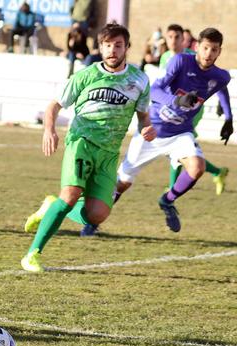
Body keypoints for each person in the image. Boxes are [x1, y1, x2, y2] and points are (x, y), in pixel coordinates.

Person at [21, 23, 155, 272]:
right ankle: (32, 254)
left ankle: (51, 206)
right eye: (107, 45)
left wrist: (148, 128)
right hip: (81, 142)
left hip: (109, 152)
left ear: (127, 47)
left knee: (97, 214)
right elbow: (54, 106)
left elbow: (144, 117)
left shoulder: (139, 80)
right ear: (101, 48)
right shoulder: (85, 75)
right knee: (70, 195)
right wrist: (49, 130)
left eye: (118, 45)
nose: (113, 50)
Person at [107, 28, 232, 233]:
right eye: (206, 48)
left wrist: (228, 117)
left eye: (214, 50)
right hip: (152, 130)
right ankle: (93, 221)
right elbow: (154, 90)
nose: (209, 53)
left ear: (219, 52)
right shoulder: (181, 62)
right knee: (122, 183)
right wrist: (176, 100)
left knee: (197, 167)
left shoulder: (220, 75)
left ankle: (167, 200)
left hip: (180, 133)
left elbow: (222, 86)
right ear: (197, 47)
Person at [159, 24, 229, 197]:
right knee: (181, 152)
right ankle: (217, 172)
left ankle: (172, 189)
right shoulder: (166, 57)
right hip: (170, 108)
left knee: (178, 146)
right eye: (170, 37)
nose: (173, 41)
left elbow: (217, 82)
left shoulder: (194, 58)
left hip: (190, 110)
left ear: (185, 40)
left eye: (177, 37)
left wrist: (226, 112)